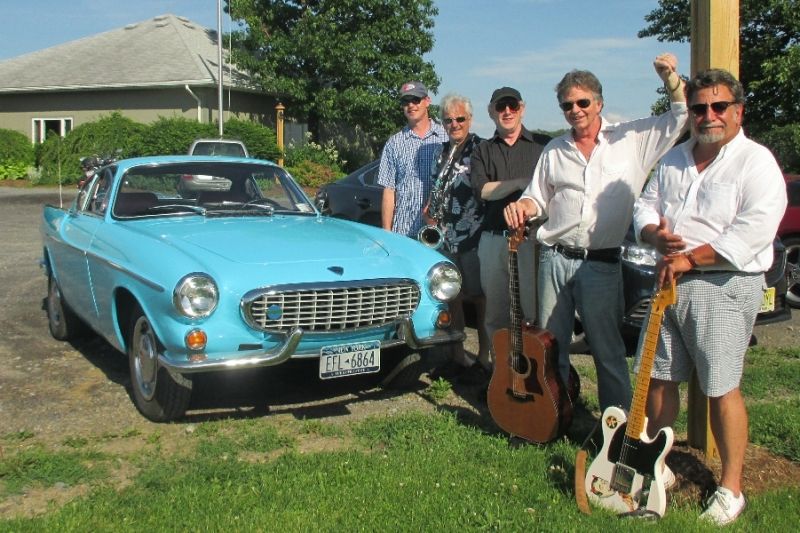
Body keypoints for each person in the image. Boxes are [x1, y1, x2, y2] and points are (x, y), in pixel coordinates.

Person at [632, 68, 787, 526]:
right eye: (700, 108)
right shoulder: (675, 158)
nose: (709, 115)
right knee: (658, 379)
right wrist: (653, 234)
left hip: (724, 284)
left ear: (738, 111)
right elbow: (646, 204)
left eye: (719, 106)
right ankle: (657, 467)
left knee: (721, 387)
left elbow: (754, 228)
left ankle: (731, 488)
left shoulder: (756, 162)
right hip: (668, 281)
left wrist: (690, 258)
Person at [503, 53, 688, 410]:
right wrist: (523, 207)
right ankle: (553, 417)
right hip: (555, 260)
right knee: (551, 347)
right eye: (567, 105)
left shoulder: (632, 139)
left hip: (601, 265)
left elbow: (680, 116)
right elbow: (537, 198)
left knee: (608, 352)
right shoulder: (555, 149)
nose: (575, 110)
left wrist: (671, 79)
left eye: (582, 102)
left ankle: (616, 428)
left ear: (599, 103)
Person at [469, 87, 551, 383]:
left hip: (530, 241)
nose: (507, 112)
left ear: (522, 109)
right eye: (500, 107)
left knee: (532, 315)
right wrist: (520, 183)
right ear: (491, 112)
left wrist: (508, 189)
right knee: (496, 315)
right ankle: (501, 379)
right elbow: (483, 190)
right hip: (493, 240)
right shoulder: (483, 150)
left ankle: (535, 380)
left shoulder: (543, 146)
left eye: (512, 106)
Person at [421, 93, 489, 380]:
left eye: (460, 119)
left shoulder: (481, 149)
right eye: (448, 120)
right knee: (453, 297)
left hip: (473, 235)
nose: (454, 124)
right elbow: (437, 187)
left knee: (480, 298)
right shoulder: (441, 151)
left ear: (470, 120)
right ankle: (458, 355)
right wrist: (430, 210)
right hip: (446, 235)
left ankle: (484, 358)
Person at [377, 81, 448, 238]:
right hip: (403, 232)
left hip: (438, 232)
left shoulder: (445, 137)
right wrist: (386, 233)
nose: (411, 105)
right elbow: (389, 191)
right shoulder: (394, 143)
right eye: (405, 101)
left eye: (416, 100)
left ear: (427, 101)